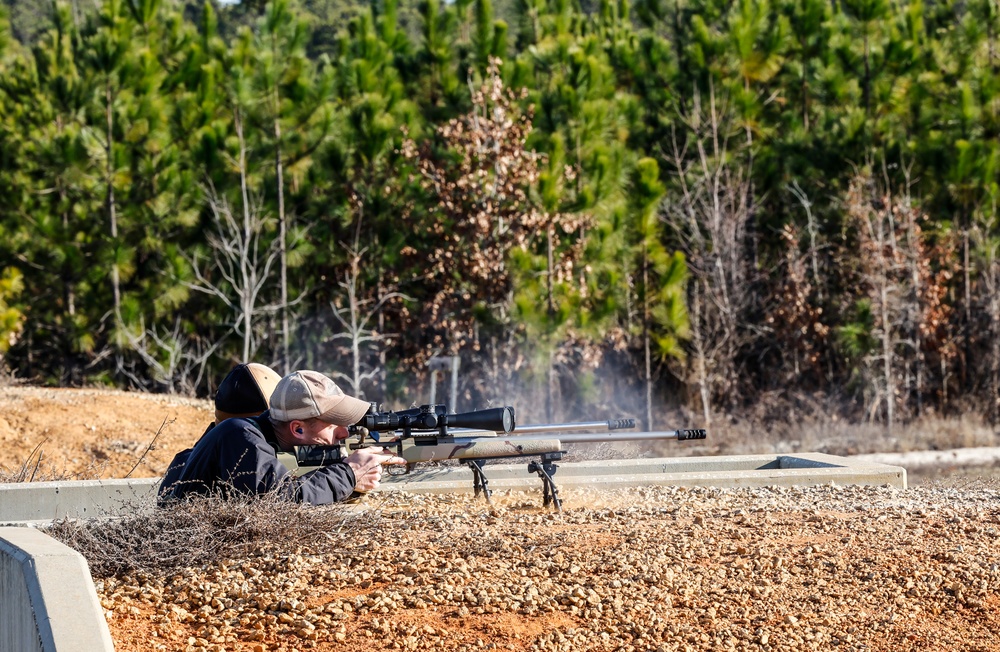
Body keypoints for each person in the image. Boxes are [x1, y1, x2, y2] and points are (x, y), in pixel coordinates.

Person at [159, 369, 403, 505]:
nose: (344, 432)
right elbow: (282, 500)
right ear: (297, 429)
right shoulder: (240, 436)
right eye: (334, 425)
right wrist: (349, 474)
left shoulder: (263, 439)